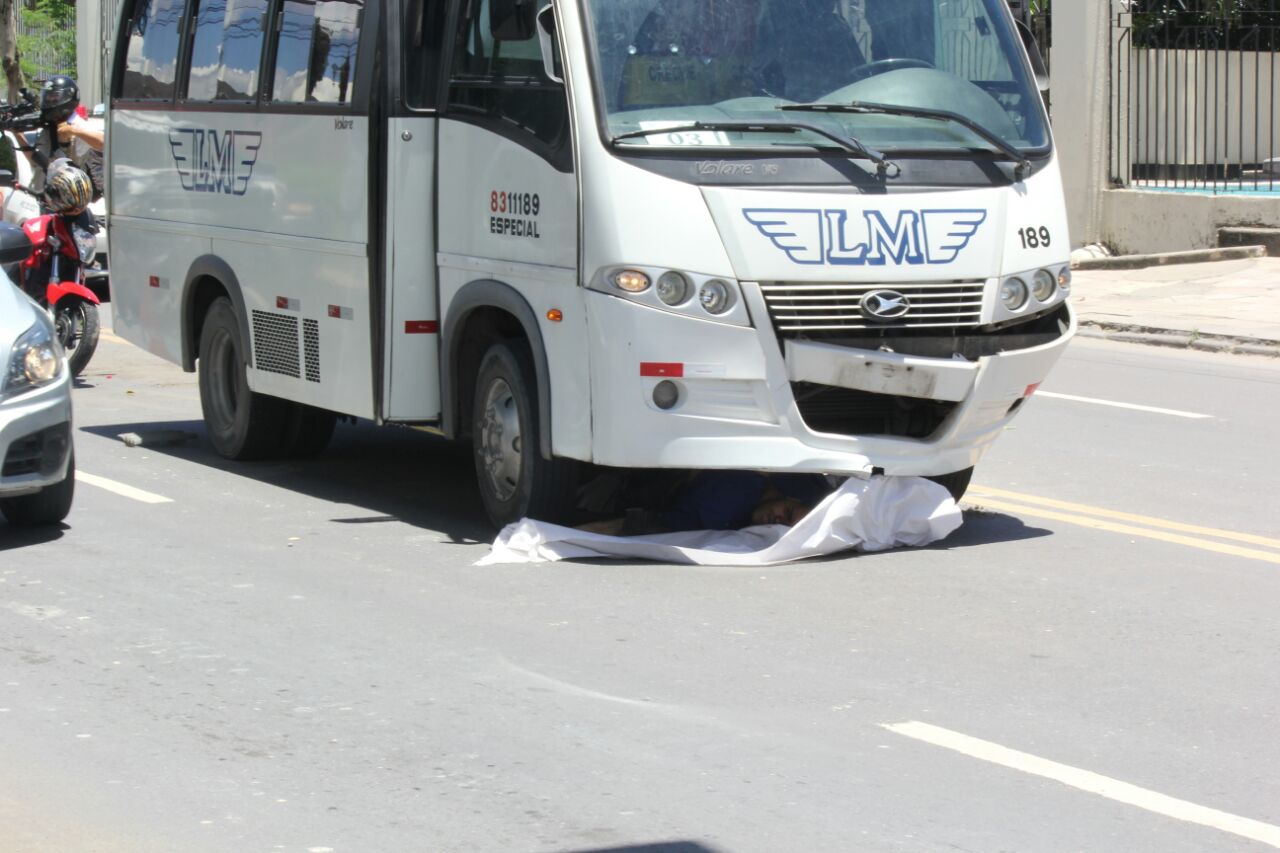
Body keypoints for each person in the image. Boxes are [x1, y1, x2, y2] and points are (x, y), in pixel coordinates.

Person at [577, 470, 833, 535]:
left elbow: (640, 522)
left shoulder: (721, 514)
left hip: (653, 482)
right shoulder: (809, 488)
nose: (776, 521)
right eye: (786, 513)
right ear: (792, 499)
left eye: (782, 527)